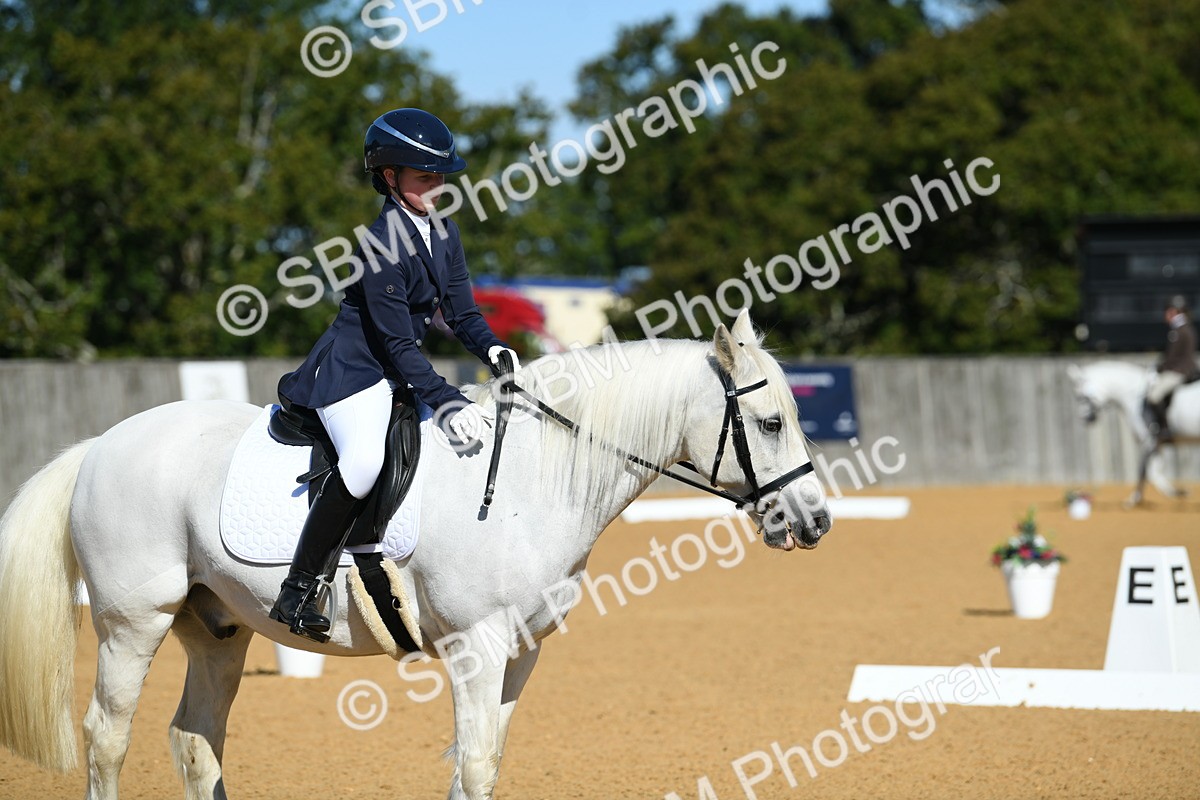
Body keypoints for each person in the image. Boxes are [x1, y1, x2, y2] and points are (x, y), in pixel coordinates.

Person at [270, 108, 519, 640]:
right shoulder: (380, 243)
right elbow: (395, 341)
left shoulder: (444, 233)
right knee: (363, 462)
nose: (437, 187)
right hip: (353, 372)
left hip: (397, 372)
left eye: (441, 176)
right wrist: (446, 397)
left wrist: (494, 349)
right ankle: (298, 590)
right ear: (389, 176)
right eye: (424, 177)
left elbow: (462, 313)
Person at [1145, 294, 1198, 441]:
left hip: (1179, 371)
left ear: (1173, 312)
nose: (1165, 315)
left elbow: (1172, 358)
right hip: (1182, 368)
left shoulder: (1179, 331)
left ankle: (1164, 428)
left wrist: (1158, 369)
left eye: (1167, 311)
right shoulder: (1185, 328)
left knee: (1153, 396)